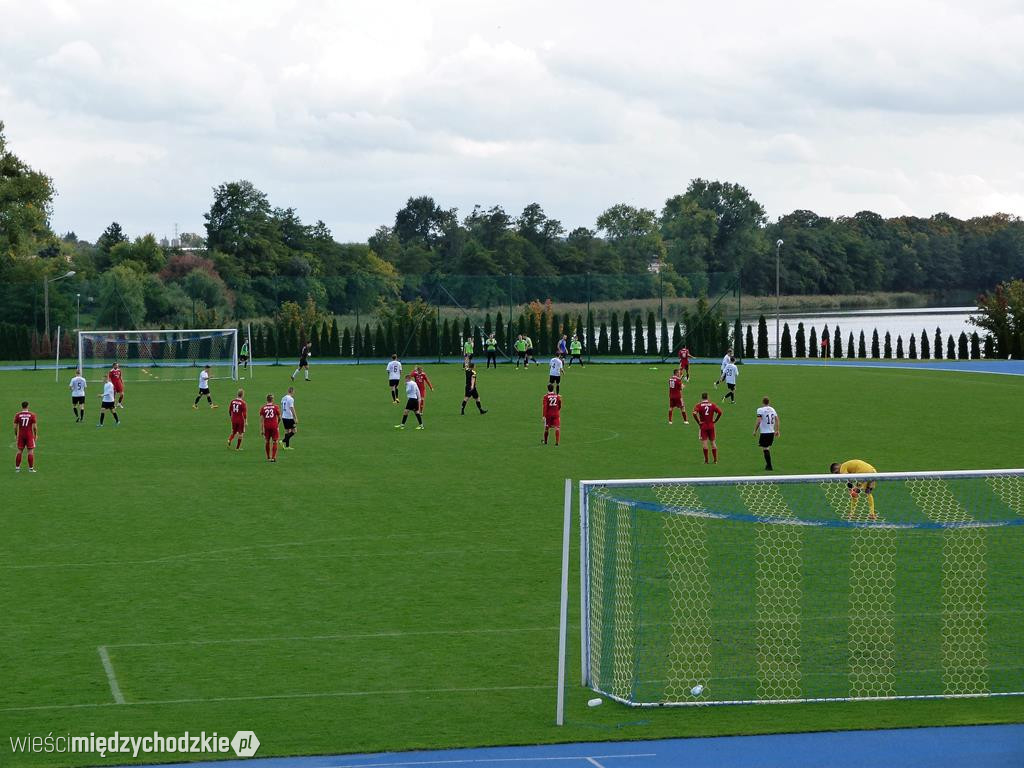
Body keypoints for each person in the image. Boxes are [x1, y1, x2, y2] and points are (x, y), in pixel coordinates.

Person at [692, 392, 722, 464]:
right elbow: (720, 412)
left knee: (705, 443)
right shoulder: (712, 404)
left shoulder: (698, 405)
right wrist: (715, 420)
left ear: (702, 398)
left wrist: (698, 422)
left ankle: (706, 461)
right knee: (713, 443)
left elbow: (694, 413)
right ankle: (715, 460)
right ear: (707, 397)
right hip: (711, 425)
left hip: (703, 426)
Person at [753, 397, 780, 470]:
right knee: (767, 448)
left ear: (762, 402)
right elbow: (777, 420)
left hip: (764, 432)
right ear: (769, 402)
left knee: (765, 449)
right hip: (771, 432)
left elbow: (758, 421)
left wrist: (755, 430)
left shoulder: (760, 410)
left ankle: (769, 466)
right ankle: (768, 465)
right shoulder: (772, 409)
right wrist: (777, 430)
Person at [13, 401, 37, 472]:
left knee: (19, 451)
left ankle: (17, 468)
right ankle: (31, 469)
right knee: (30, 452)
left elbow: (15, 427)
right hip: (29, 435)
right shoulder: (32, 415)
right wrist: (35, 435)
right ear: (28, 406)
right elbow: (35, 427)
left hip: (21, 435)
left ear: (22, 406)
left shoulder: (18, 415)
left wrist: (16, 434)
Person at [260, 394, 281, 462]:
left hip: (266, 426)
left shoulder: (263, 408)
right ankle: (273, 457)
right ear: (272, 400)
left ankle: (268, 457)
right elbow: (279, 417)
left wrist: (262, 429)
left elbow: (261, 419)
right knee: (275, 441)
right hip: (274, 426)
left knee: (267, 441)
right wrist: (277, 424)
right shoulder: (275, 407)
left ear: (267, 399)